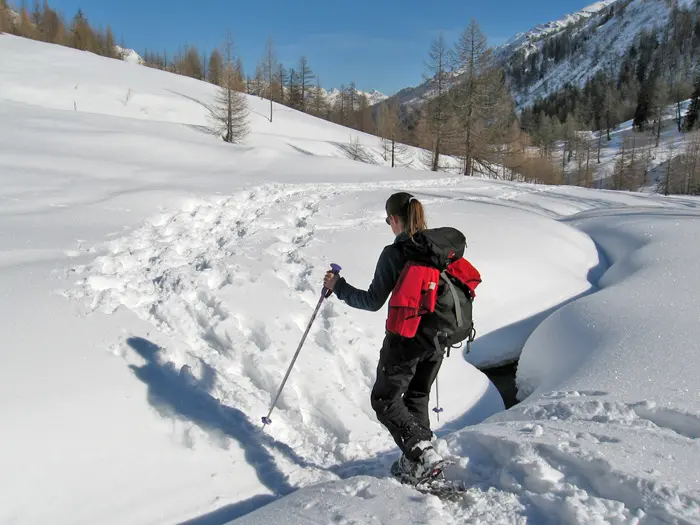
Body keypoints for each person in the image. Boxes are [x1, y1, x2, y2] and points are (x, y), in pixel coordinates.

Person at [323, 191, 474, 480]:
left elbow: (372, 301)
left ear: (394, 219)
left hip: (406, 338)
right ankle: (420, 459)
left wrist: (338, 286)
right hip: (438, 337)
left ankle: (423, 454)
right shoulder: (437, 247)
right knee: (417, 395)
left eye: (387, 220)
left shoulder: (396, 252)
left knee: (384, 399)